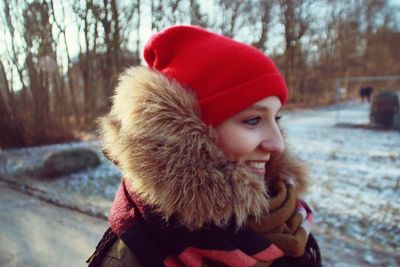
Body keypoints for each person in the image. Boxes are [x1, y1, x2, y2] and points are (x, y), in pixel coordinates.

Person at [87, 25, 322, 267]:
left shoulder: (287, 220)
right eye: (253, 120)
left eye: (277, 118)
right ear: (186, 135)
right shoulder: (134, 256)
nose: (278, 144)